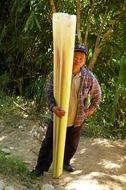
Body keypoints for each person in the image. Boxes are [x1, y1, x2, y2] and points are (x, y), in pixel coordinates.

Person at [30, 44, 101, 177]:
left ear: (84, 60)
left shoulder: (89, 77)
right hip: (58, 116)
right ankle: (40, 168)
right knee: (49, 143)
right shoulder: (59, 73)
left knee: (72, 144)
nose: (78, 59)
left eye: (81, 57)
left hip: (76, 118)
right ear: (70, 57)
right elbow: (48, 91)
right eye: (75, 56)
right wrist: (53, 107)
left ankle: (65, 162)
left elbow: (98, 95)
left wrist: (90, 109)